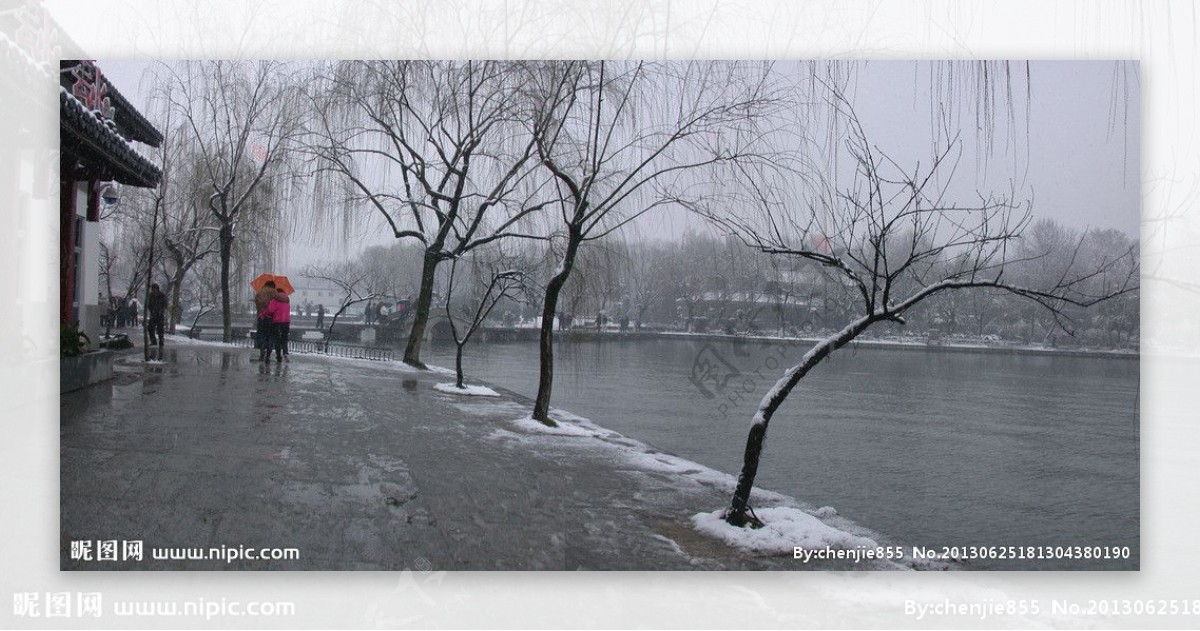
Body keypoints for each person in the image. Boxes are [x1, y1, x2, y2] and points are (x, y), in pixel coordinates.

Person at [265, 287, 292, 362]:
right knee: (284, 338)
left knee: (276, 339)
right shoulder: (287, 300)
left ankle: (278, 355)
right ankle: (285, 353)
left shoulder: (274, 300)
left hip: (277, 322)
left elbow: (270, 310)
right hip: (286, 322)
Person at [253, 280, 277, 362]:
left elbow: (257, 302)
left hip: (261, 317)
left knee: (261, 334)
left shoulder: (260, 292)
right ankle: (268, 353)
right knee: (270, 336)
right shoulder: (275, 293)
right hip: (272, 318)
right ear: (273, 286)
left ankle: (262, 351)